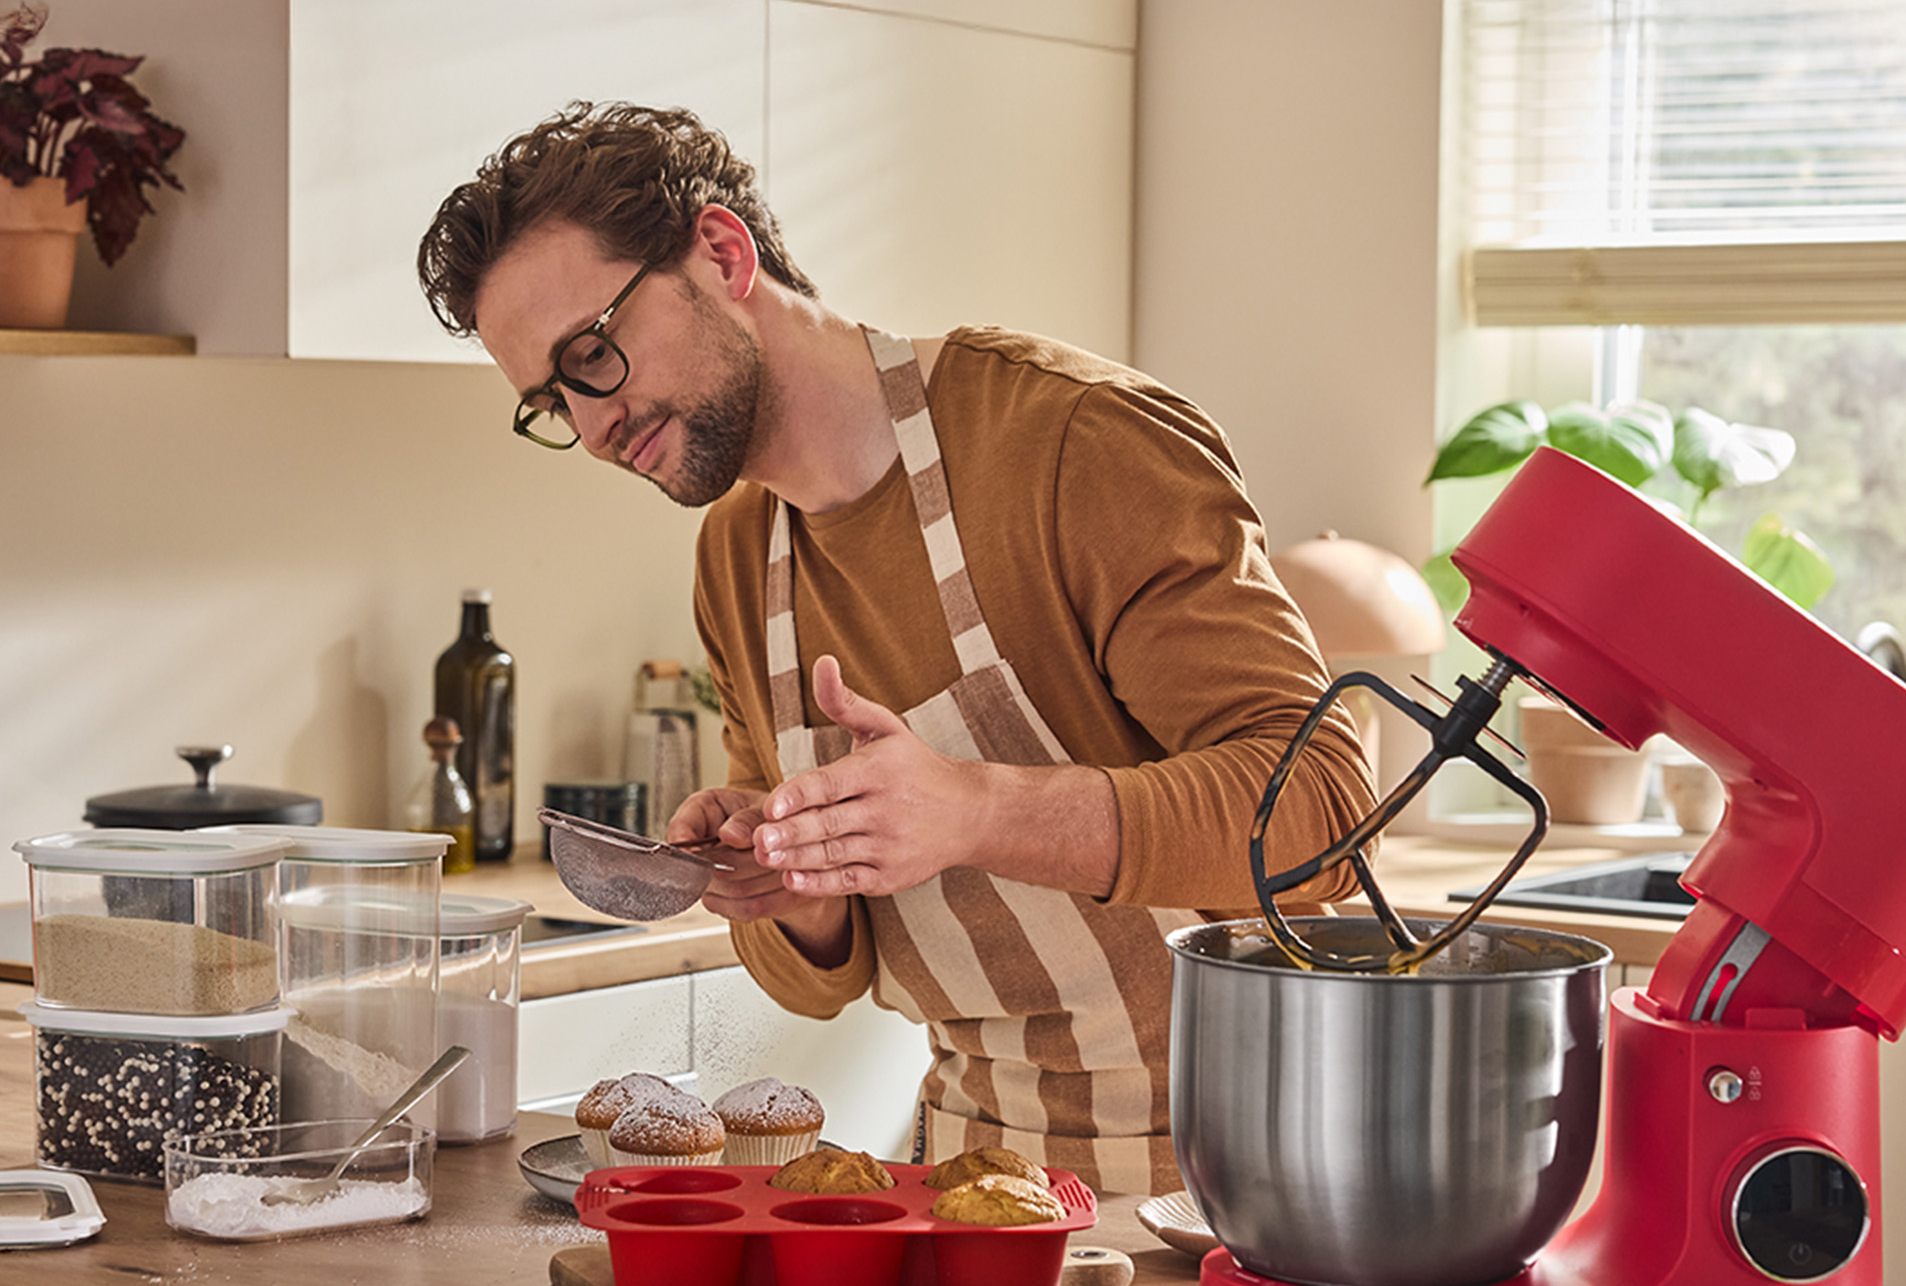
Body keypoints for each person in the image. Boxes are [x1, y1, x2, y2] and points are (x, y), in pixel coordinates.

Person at [418, 101, 1373, 1192]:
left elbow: (1327, 814)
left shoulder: (1071, 443)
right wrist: (791, 879)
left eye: (592, 355)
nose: (592, 427)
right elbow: (820, 983)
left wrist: (977, 810)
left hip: (1254, 1173)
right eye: (552, 403)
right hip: (979, 1178)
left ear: (722, 253)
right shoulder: (739, 557)